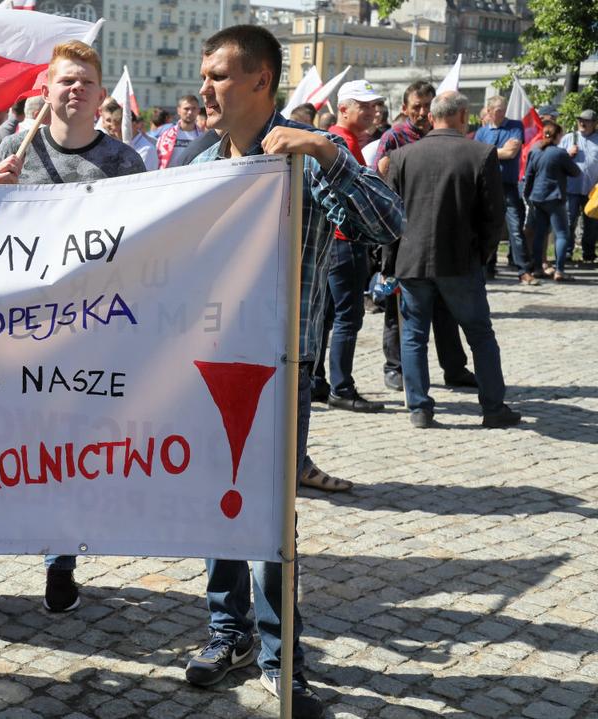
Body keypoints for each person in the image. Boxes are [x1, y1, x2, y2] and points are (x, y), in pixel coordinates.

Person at [184, 26, 403, 718]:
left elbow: (389, 225)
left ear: (261, 81)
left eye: (219, 75)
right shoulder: (197, 159)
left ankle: (284, 660)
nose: (205, 89)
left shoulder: (305, 156)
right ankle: (229, 635)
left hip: (279, 368)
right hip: (202, 365)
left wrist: (329, 155)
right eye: (205, 75)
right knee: (216, 506)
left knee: (272, 522)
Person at [0, 40, 144, 618]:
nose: (74, 91)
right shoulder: (15, 148)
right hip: (10, 335)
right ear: (45, 90)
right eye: (64, 81)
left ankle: (59, 564)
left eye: (85, 83)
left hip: (83, 335)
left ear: (99, 95)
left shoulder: (123, 163)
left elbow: (140, 246)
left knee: (62, 455)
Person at [386, 92, 521, 430]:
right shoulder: (480, 153)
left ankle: (419, 408)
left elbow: (388, 215)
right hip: (460, 260)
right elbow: (493, 215)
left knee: (414, 335)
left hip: (413, 260)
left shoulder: (403, 156)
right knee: (479, 334)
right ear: (464, 115)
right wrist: (483, 254)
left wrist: (389, 263)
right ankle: (493, 407)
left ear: (432, 117)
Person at [373, 80, 476, 393]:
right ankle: (396, 368)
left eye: (425, 106)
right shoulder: (394, 138)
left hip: (441, 235)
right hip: (405, 236)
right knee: (400, 311)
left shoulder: (443, 135)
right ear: (405, 109)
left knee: (446, 310)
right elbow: (379, 178)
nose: (420, 112)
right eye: (415, 106)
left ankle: (454, 368)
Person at [312, 80, 384, 415]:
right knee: (346, 317)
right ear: (344, 108)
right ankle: (342, 388)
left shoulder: (341, 141)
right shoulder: (342, 143)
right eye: (364, 106)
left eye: (373, 106)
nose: (372, 111)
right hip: (345, 241)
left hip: (336, 241)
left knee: (326, 315)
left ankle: (318, 381)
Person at [474, 96, 531, 284]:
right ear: (489, 111)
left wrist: (488, 151)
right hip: (487, 186)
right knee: (489, 228)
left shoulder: (515, 126)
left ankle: (523, 270)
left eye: (503, 108)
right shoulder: (481, 132)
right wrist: (498, 151)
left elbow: (511, 152)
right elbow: (477, 156)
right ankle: (488, 268)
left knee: (515, 229)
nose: (502, 112)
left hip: (508, 186)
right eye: (498, 109)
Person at [522, 120, 582, 282]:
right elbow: (575, 172)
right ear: (557, 136)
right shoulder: (560, 153)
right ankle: (560, 270)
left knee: (540, 234)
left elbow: (529, 176)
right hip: (555, 198)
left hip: (537, 198)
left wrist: (527, 196)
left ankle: (537, 269)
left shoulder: (535, 151)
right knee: (562, 234)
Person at [558, 109, 598, 265]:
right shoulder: (569, 138)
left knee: (592, 223)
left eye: (586, 120)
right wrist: (567, 154)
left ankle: (588, 254)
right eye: (580, 120)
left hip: (592, 191)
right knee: (568, 221)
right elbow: (556, 158)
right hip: (571, 189)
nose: (582, 123)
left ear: (594, 123)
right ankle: (567, 253)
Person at [155, 94, 204, 168]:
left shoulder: (202, 137)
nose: (190, 112)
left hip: (193, 177)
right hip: (170, 178)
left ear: (198, 111)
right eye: (186, 109)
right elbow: (157, 161)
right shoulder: (166, 136)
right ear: (179, 110)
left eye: (194, 108)